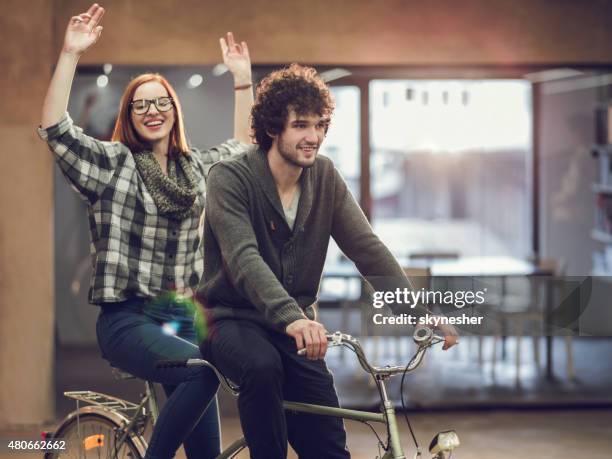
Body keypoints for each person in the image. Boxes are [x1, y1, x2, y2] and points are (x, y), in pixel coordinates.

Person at [197, 63, 458, 459]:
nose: (313, 137)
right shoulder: (229, 178)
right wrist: (293, 317)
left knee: (329, 445)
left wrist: (418, 312)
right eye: (301, 125)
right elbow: (243, 258)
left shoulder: (324, 177)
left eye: (320, 125)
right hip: (229, 318)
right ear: (273, 128)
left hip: (297, 329)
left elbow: (366, 247)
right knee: (263, 367)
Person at [37, 4, 254, 459]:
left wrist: (241, 81)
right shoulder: (113, 164)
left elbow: (244, 149)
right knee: (203, 372)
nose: (151, 111)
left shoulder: (195, 170)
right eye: (141, 104)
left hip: (181, 316)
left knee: (206, 449)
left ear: (174, 111)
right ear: (130, 115)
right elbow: (56, 129)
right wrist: (70, 54)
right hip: (127, 319)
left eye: (161, 102)